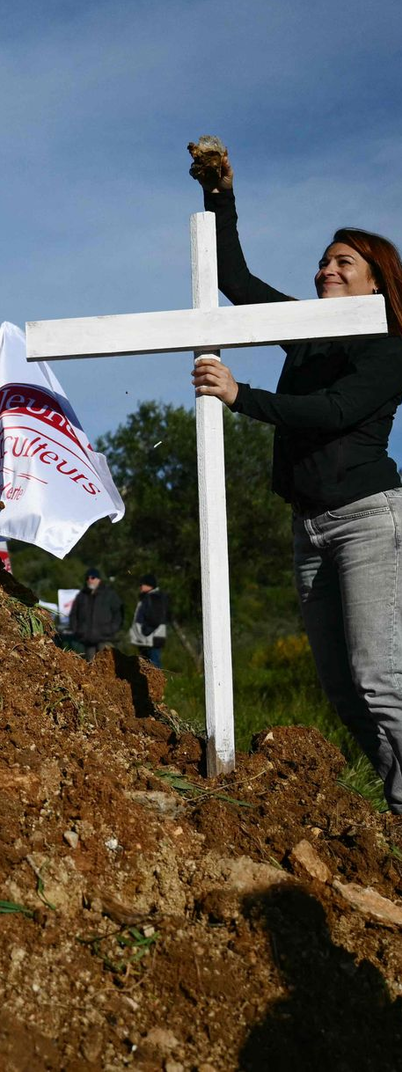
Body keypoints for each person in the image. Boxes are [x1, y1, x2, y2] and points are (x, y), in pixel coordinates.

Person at [189, 137, 402, 812]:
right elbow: (234, 280)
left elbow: (335, 409)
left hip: (369, 519)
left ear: (377, 280)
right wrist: (218, 194)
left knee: (380, 680)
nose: (325, 269)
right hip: (307, 525)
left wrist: (240, 395)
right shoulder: (308, 331)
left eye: (345, 261)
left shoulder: (389, 345)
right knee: (343, 690)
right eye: (322, 261)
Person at [69, 567, 123, 661]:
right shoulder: (81, 595)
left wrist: (111, 629)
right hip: (87, 640)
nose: (90, 580)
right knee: (90, 668)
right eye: (87, 578)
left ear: (99, 580)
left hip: (105, 639)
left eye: (93, 577)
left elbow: (118, 614)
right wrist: (77, 630)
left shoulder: (109, 594)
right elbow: (73, 615)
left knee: (106, 666)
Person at [129, 574, 169, 668]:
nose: (140, 586)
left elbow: (155, 619)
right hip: (147, 640)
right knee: (146, 667)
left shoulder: (153, 598)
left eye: (142, 584)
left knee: (154, 667)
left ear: (149, 585)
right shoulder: (147, 597)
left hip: (151, 639)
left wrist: (145, 631)